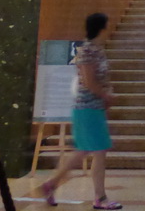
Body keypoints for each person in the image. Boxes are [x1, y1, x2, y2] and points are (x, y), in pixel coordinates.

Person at [40, 13, 120, 209]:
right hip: (87, 108)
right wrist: (105, 95)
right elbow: (89, 81)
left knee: (85, 150)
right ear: (101, 28)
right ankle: (100, 198)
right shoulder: (87, 51)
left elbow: (99, 80)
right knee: (97, 151)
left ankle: (52, 184)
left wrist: (106, 93)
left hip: (94, 108)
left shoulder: (97, 50)